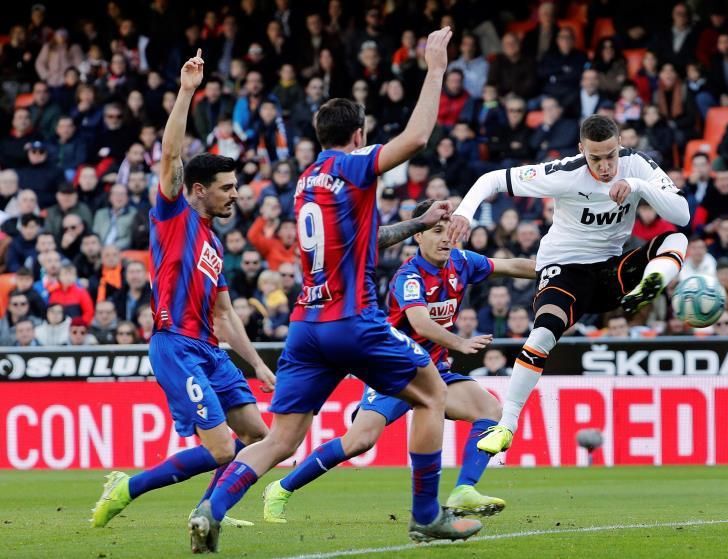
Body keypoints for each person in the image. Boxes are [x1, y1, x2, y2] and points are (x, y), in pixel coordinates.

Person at [193, 28, 485, 551]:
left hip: (306, 326)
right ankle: (426, 516)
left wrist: (417, 226)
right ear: (360, 134)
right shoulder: (352, 166)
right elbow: (417, 138)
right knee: (433, 393)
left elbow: (364, 239)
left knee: (282, 439)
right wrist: (436, 67)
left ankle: (210, 508)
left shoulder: (308, 180)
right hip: (354, 320)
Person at [91, 50, 276, 531]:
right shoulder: (173, 216)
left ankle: (206, 512)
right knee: (222, 449)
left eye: (235, 186)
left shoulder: (214, 243)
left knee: (258, 437)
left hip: (210, 350)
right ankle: (128, 488)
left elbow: (225, 314)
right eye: (226, 187)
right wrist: (187, 91)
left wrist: (257, 365)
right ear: (198, 189)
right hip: (176, 345)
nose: (235, 194)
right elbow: (171, 155)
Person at [263, 199, 537, 522]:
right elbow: (421, 323)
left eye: (449, 230)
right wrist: (459, 342)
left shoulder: (461, 262)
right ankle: (281, 488)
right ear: (418, 235)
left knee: (490, 410)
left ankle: (464, 489)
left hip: (435, 371)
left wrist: (559, 273)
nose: (446, 238)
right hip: (395, 371)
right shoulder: (408, 276)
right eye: (437, 231)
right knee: (360, 441)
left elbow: (512, 266)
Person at [449, 114, 690, 454]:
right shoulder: (564, 173)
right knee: (543, 334)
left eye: (611, 156)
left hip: (609, 272)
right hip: (565, 269)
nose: (605, 166)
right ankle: (506, 425)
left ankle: (650, 285)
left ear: (620, 145)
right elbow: (492, 179)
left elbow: (682, 215)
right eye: (595, 158)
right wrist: (464, 212)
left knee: (677, 239)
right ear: (581, 150)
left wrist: (638, 186)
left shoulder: (637, 166)